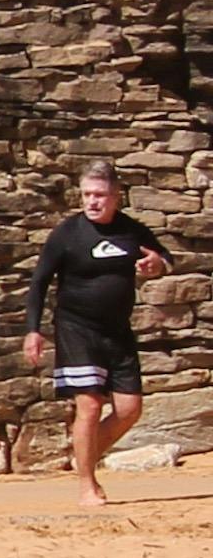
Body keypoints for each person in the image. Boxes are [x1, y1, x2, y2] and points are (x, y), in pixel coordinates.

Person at [26, 159, 174, 504]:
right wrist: (33, 331)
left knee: (130, 409)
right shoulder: (67, 233)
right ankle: (87, 486)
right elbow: (38, 283)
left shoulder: (131, 231)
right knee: (90, 406)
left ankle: (84, 455)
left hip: (117, 331)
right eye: (87, 194)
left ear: (116, 196)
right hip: (76, 328)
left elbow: (164, 258)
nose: (92, 201)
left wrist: (157, 265)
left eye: (100, 195)